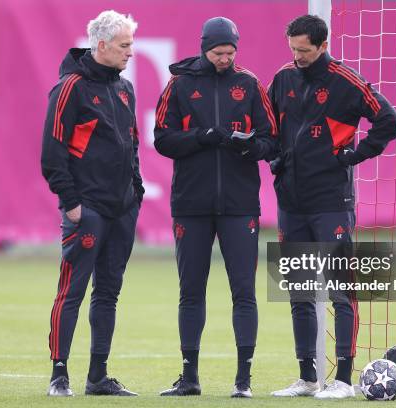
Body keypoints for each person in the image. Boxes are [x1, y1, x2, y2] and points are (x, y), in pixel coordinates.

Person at [267, 15, 396, 399]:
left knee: (341, 290)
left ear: (323, 46)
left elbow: (389, 120)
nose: (297, 57)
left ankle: (343, 379)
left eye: (304, 51)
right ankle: (307, 378)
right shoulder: (283, 79)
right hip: (291, 202)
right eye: (293, 49)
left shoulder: (346, 81)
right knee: (299, 292)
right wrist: (275, 156)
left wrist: (355, 155)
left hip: (331, 203)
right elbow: (272, 129)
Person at [154, 16, 277, 398]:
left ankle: (244, 381)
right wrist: (202, 137)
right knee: (191, 291)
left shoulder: (251, 84)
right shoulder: (179, 84)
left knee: (244, 291)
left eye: (230, 52)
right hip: (191, 205)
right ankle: (189, 377)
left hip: (240, 206)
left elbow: (272, 140)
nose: (224, 59)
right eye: (218, 52)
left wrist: (250, 147)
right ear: (204, 47)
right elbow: (162, 139)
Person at [40, 10, 144, 397]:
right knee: (73, 290)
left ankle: (98, 377)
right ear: (101, 45)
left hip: (122, 209)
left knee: (109, 293)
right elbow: (52, 154)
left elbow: (131, 145)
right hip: (88, 208)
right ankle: (59, 374)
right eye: (124, 46)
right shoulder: (70, 88)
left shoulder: (124, 89)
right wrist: (71, 203)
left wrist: (137, 191)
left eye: (132, 45)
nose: (130, 53)